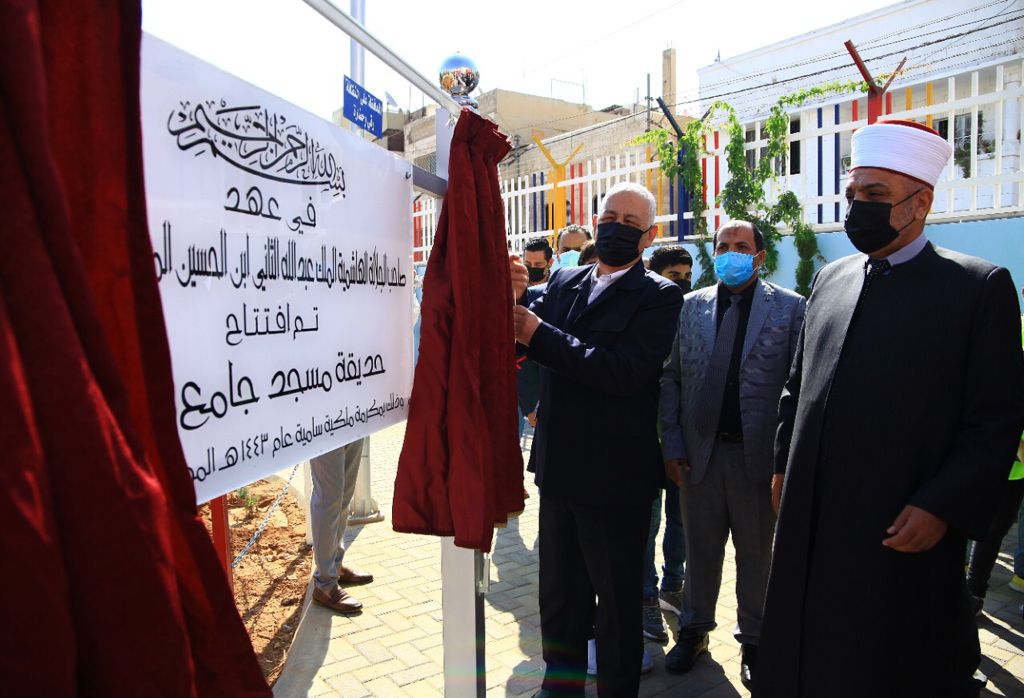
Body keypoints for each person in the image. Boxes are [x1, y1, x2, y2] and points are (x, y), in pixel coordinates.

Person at [756, 120, 1024, 697]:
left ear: (919, 203)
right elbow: (797, 386)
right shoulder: (831, 278)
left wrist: (941, 506)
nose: (858, 207)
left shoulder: (978, 287)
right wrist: (782, 467)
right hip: (810, 514)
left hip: (897, 524)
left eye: (875, 194)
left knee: (888, 661)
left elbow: (995, 420)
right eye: (853, 193)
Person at [512, 182, 682, 697]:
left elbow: (623, 373)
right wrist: (514, 293)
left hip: (615, 480)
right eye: (609, 218)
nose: (616, 228)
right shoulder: (565, 281)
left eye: (630, 222)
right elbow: (521, 333)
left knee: (615, 604)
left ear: (649, 235)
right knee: (560, 595)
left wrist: (538, 333)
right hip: (560, 468)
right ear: (594, 221)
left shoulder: (659, 296)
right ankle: (558, 686)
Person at [659, 222, 805, 688]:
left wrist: (784, 460)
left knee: (756, 555)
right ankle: (694, 631)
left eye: (741, 247)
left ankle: (756, 640)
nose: (730, 253)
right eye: (722, 246)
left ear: (759, 257)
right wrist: (673, 445)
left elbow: (798, 386)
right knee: (700, 551)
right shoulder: (690, 306)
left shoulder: (790, 308)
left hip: (755, 459)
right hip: (699, 455)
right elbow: (671, 377)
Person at [640, 245, 695, 643]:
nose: (683, 283)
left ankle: (673, 586)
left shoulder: (695, 314)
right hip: (645, 437)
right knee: (648, 523)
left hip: (682, 437)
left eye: (687, 276)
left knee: (681, 519)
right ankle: (645, 595)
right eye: (674, 276)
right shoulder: (642, 313)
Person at [309, 441, 374, 613]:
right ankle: (324, 584)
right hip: (322, 429)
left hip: (352, 426)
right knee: (328, 498)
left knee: (344, 495)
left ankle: (335, 566)